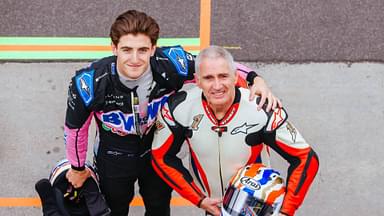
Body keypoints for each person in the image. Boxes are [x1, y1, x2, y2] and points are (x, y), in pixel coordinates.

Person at [64, 10, 280, 216]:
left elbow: (215, 66)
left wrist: (255, 78)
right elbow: (75, 130)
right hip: (114, 154)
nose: (135, 59)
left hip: (158, 148)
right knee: (114, 208)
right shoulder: (89, 83)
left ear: (153, 48)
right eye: (127, 50)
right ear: (114, 48)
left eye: (143, 50)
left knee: (158, 206)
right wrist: (77, 167)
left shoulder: (170, 63)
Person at [151, 46, 319, 216]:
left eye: (223, 76)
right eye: (208, 78)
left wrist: (286, 211)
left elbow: (306, 158)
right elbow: (161, 156)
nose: (217, 86)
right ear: (197, 80)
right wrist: (199, 199)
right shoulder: (178, 109)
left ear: (235, 77)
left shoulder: (262, 110)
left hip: (254, 208)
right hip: (213, 208)